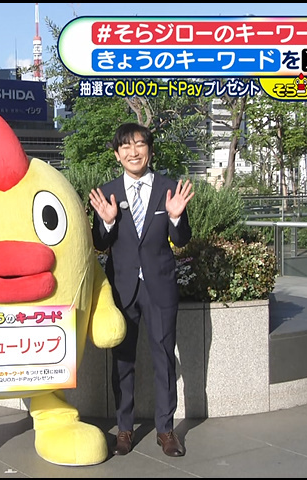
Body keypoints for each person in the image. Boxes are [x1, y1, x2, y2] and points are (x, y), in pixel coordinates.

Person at [88, 122, 194, 458]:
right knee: (122, 361)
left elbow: (181, 239)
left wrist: (176, 218)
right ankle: (124, 429)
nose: (133, 152)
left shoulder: (169, 189)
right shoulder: (107, 192)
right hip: (123, 288)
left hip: (160, 286)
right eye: (126, 147)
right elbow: (99, 243)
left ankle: (166, 430)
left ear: (150, 149)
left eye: (139, 145)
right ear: (117, 155)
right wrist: (106, 221)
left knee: (164, 358)